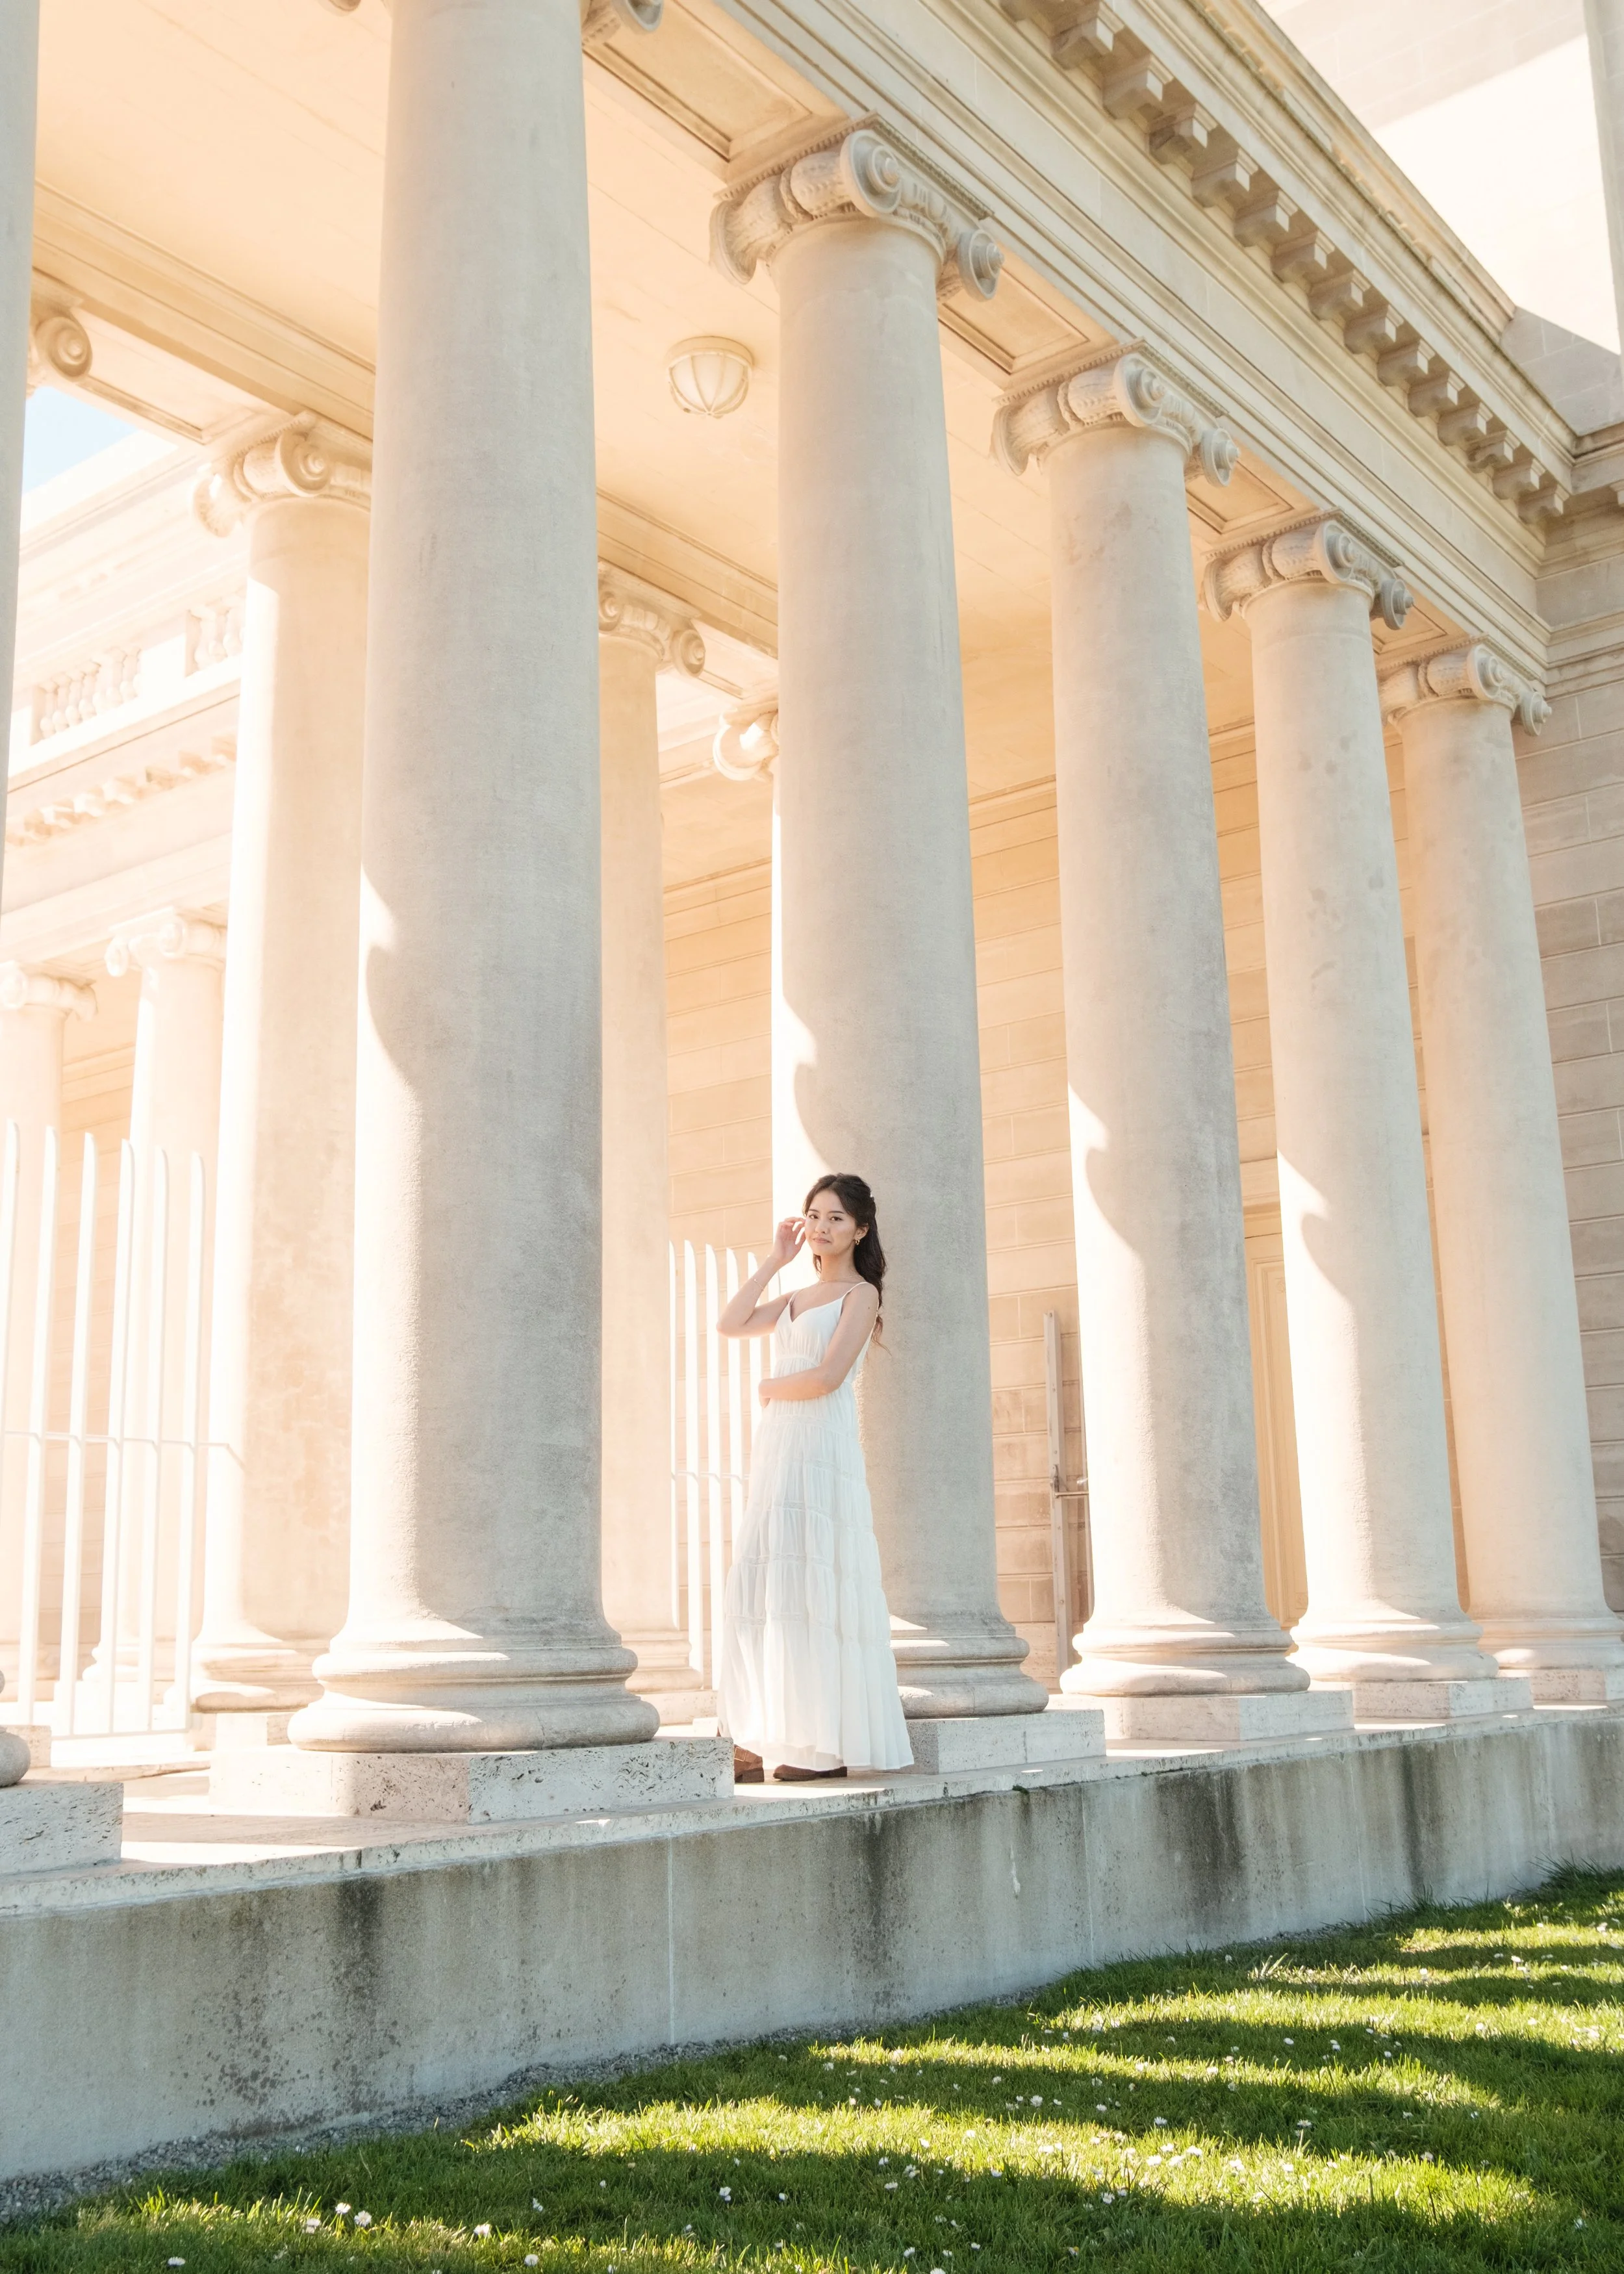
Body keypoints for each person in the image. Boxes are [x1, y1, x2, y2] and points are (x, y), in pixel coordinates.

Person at [716, 1172, 915, 1785]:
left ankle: (820, 1746)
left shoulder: (861, 1296)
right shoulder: (798, 1295)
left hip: (820, 1451)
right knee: (760, 1583)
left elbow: (828, 1377)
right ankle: (749, 1738)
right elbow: (731, 1322)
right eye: (815, 1216)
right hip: (780, 1451)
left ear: (860, 1229)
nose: (822, 1228)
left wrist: (769, 1387)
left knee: (812, 1589)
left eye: (835, 1218)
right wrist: (775, 1261)